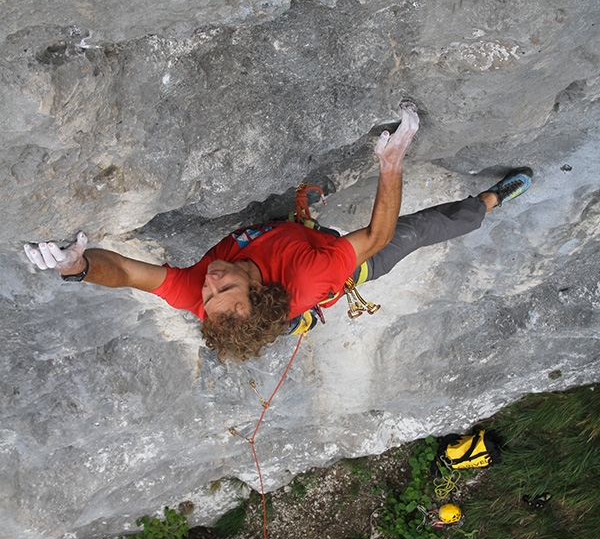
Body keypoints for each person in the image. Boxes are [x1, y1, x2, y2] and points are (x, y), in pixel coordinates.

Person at [23, 107, 533, 361]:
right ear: (260, 290)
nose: (213, 279)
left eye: (211, 291)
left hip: (285, 235)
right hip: (354, 260)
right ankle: (489, 202)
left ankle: (307, 206)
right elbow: (376, 235)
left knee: (293, 211)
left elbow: (129, 272)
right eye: (226, 288)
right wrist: (391, 163)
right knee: (419, 230)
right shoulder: (313, 274)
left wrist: (77, 268)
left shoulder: (203, 298)